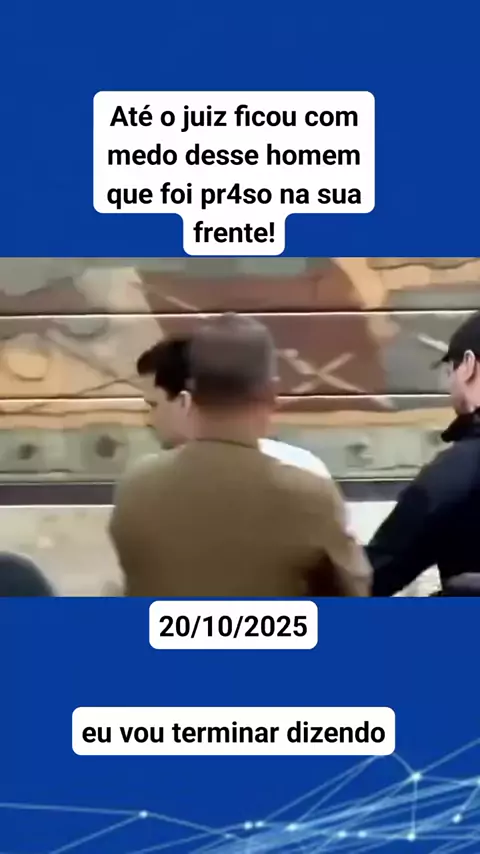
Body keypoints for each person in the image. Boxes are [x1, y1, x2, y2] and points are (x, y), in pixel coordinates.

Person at [110, 314, 370, 597]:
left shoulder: (136, 487)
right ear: (270, 392)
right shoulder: (307, 492)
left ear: (189, 398)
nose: (148, 420)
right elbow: (350, 595)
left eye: (152, 405)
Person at [367, 311, 480, 596]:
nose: (449, 384)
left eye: (450, 371)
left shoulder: (456, 473)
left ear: (468, 366)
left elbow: (375, 575)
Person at [136, 335, 331, 476]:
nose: (149, 420)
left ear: (184, 403)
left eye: (153, 405)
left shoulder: (154, 484)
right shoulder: (304, 469)